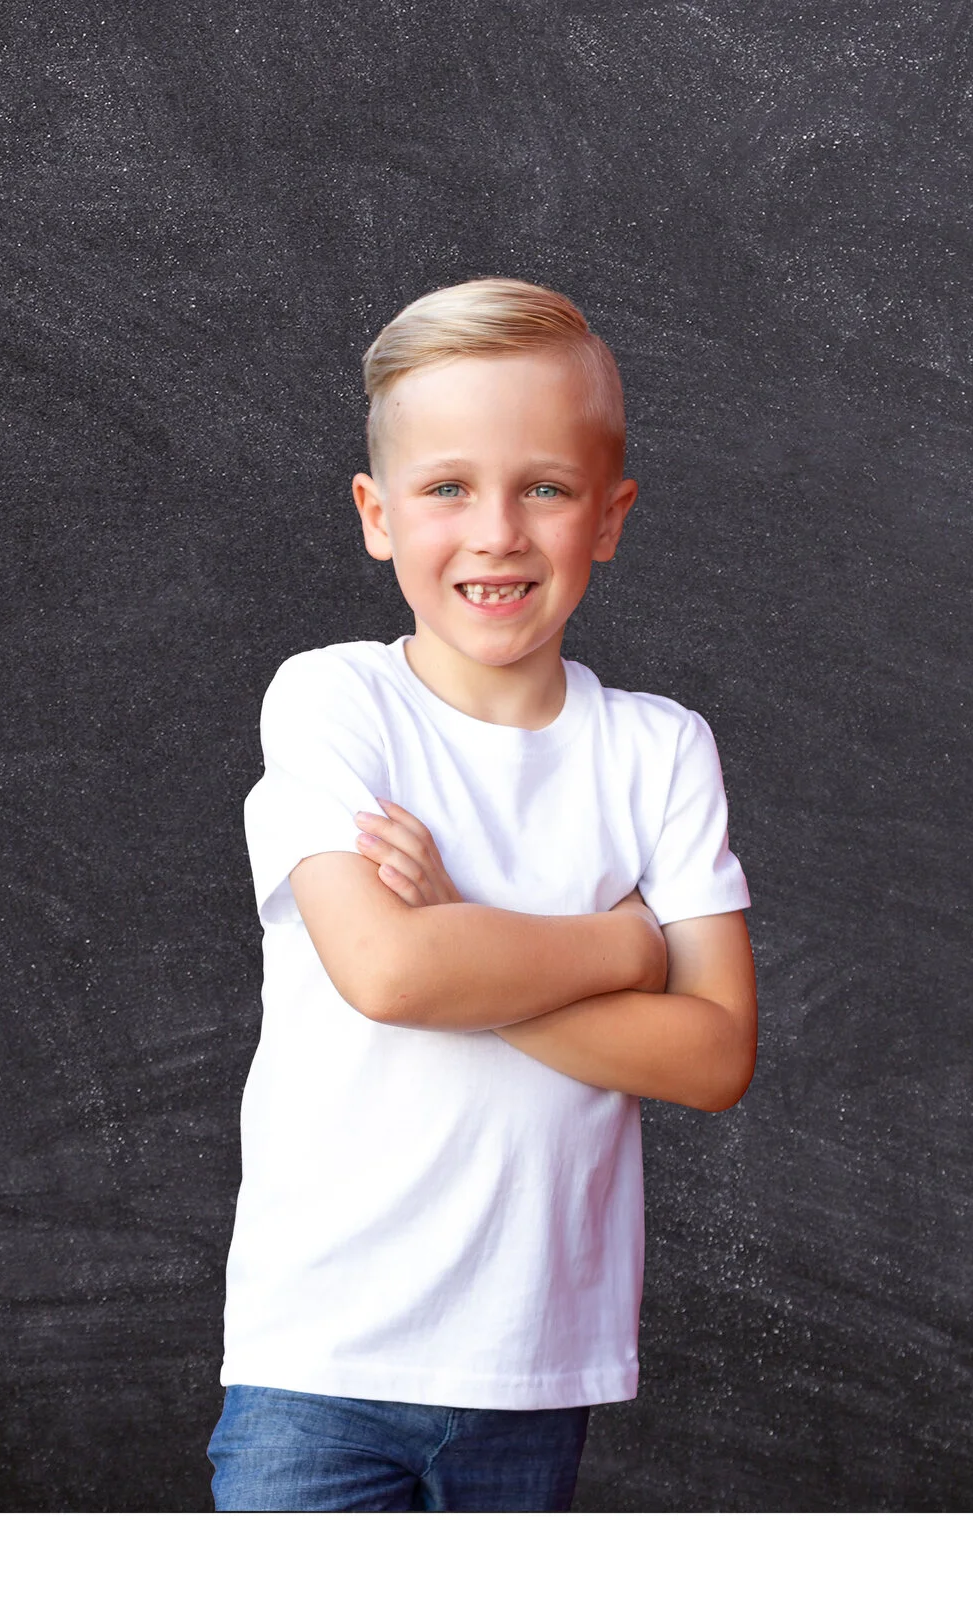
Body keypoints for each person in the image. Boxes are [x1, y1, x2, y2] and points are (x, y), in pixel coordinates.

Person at [209, 278, 757, 1511]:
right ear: (376, 514)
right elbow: (392, 973)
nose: (497, 531)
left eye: (545, 488)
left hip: (532, 1367)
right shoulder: (334, 701)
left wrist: (464, 923)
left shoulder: (659, 750)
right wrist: (623, 950)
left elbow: (716, 1053)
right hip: (321, 1360)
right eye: (448, 487)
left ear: (609, 516)